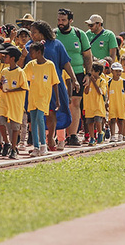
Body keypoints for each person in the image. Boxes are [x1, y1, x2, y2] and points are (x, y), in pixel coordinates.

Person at [29, 21, 75, 151]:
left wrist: (74, 79)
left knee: (51, 112)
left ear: (43, 33)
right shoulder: (29, 46)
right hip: (35, 87)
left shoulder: (56, 45)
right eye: (31, 32)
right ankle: (39, 143)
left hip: (53, 84)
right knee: (36, 114)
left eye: (34, 32)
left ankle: (50, 139)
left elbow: (66, 63)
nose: (32, 35)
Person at [55, 8, 91, 147]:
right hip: (58, 74)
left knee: (74, 104)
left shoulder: (79, 34)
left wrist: (88, 74)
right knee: (58, 104)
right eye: (59, 20)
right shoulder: (54, 34)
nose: (60, 23)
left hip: (77, 73)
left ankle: (73, 135)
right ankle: (58, 135)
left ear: (70, 20)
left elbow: (87, 56)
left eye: (63, 20)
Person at [24, 41, 60, 157]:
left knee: (40, 118)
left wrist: (57, 100)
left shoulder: (50, 65)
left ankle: (43, 145)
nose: (30, 54)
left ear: (39, 52)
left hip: (44, 97)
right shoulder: (31, 65)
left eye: (32, 52)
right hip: (33, 97)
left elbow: (55, 83)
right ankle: (36, 147)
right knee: (33, 122)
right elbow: (22, 76)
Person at [0, 46, 28, 159]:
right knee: (1, 121)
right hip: (4, 100)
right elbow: (0, 84)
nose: (4, 57)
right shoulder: (4, 71)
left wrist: (11, 90)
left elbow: (24, 87)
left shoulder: (20, 72)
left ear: (13, 58)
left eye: (7, 56)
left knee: (15, 126)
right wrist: (1, 86)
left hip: (16, 102)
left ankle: (14, 148)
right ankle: (7, 142)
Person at [107, 62, 125, 142]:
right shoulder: (109, 83)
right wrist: (106, 103)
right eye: (116, 71)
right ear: (112, 71)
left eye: (119, 71)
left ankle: (121, 134)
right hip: (112, 104)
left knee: (121, 120)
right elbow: (106, 94)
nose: (118, 73)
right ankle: (112, 136)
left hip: (122, 105)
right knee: (112, 120)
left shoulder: (124, 82)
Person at [83, 61, 107, 146]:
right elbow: (85, 92)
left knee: (97, 121)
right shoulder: (88, 81)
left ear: (98, 72)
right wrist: (89, 83)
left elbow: (100, 92)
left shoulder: (102, 81)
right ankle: (92, 138)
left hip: (98, 106)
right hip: (89, 106)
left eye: (92, 71)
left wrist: (94, 82)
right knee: (90, 122)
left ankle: (100, 133)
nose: (91, 73)